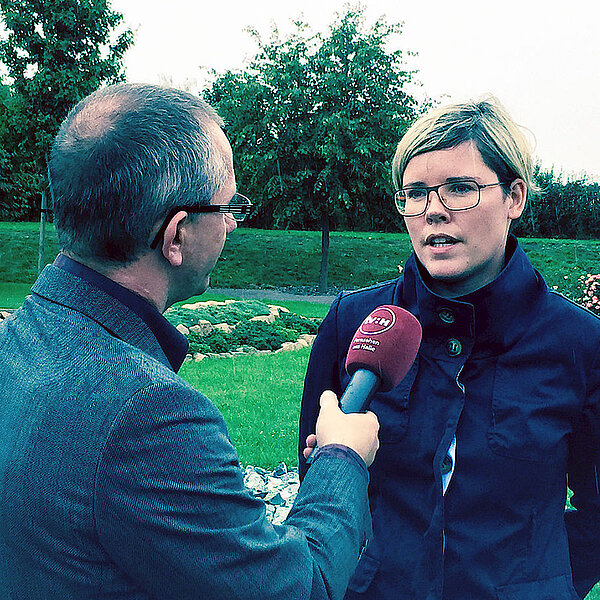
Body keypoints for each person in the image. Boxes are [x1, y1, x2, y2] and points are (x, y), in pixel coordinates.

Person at [0, 83, 380, 600]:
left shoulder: (17, 341)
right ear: (176, 235)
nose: (232, 224)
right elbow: (298, 589)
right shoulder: (147, 414)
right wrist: (342, 457)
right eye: (228, 206)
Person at [299, 98, 600, 600]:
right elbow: (319, 478)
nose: (433, 210)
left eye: (459, 188)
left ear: (514, 198)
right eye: (415, 193)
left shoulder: (581, 344)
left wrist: (540, 581)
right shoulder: (352, 322)